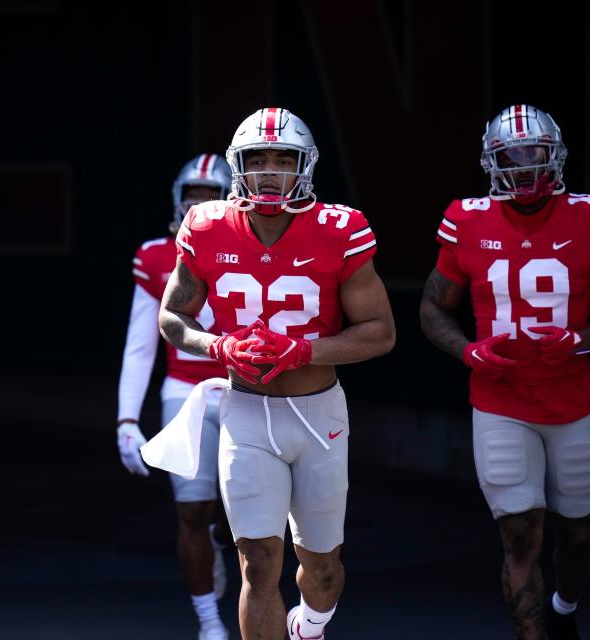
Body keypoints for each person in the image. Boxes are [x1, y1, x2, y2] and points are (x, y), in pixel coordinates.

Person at [158, 108, 396, 640]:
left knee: (323, 569)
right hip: (246, 411)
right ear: (238, 167)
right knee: (258, 564)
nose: (269, 171)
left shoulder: (342, 228)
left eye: (282, 160)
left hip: (318, 414)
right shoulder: (207, 224)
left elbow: (381, 332)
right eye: (257, 160)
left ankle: (309, 627)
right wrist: (217, 344)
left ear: (303, 166)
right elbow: (173, 316)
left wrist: (301, 351)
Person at [418, 104, 590, 640]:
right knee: (521, 534)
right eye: (510, 157)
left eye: (533, 155)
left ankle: (564, 611)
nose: (522, 168)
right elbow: (432, 307)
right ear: (491, 161)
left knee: (578, 535)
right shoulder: (466, 219)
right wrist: (468, 351)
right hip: (499, 400)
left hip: (571, 400)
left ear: (555, 157)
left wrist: (585, 339)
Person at [117, 154, 234, 640]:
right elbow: (142, 343)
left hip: (249, 389)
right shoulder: (156, 254)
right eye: (193, 196)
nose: (199, 206)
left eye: (210, 197)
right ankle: (209, 622)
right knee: (191, 508)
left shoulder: (256, 247)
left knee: (252, 512)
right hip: (186, 391)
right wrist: (127, 418)